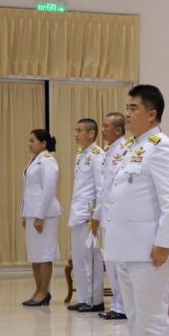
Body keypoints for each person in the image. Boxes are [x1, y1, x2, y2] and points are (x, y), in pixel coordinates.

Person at [104, 84, 169, 336]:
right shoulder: (132, 147)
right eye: (127, 107)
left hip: (149, 250)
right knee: (135, 318)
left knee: (151, 317)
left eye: (133, 108)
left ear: (152, 114)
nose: (127, 113)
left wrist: (163, 242)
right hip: (127, 248)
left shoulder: (161, 147)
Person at [91, 112, 128, 320]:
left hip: (118, 216)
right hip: (107, 215)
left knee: (119, 263)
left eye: (106, 126)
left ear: (118, 130)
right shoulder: (108, 151)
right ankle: (117, 304)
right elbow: (104, 188)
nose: (102, 129)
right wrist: (97, 215)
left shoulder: (125, 149)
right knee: (111, 262)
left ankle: (122, 306)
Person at [67, 118, 106, 313]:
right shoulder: (81, 155)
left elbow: (101, 189)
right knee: (79, 259)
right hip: (77, 213)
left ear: (91, 134)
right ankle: (83, 297)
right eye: (75, 130)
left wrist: (96, 216)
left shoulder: (97, 155)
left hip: (88, 216)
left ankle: (94, 300)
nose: (76, 134)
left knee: (90, 259)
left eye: (79, 130)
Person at [21, 128, 61, 306]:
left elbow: (48, 191)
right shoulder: (35, 159)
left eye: (32, 141)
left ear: (43, 143)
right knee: (35, 255)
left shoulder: (47, 161)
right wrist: (24, 214)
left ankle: (44, 292)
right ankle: (38, 290)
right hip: (32, 213)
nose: (29, 144)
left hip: (45, 215)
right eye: (29, 140)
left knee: (44, 255)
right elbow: (28, 190)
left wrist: (40, 216)